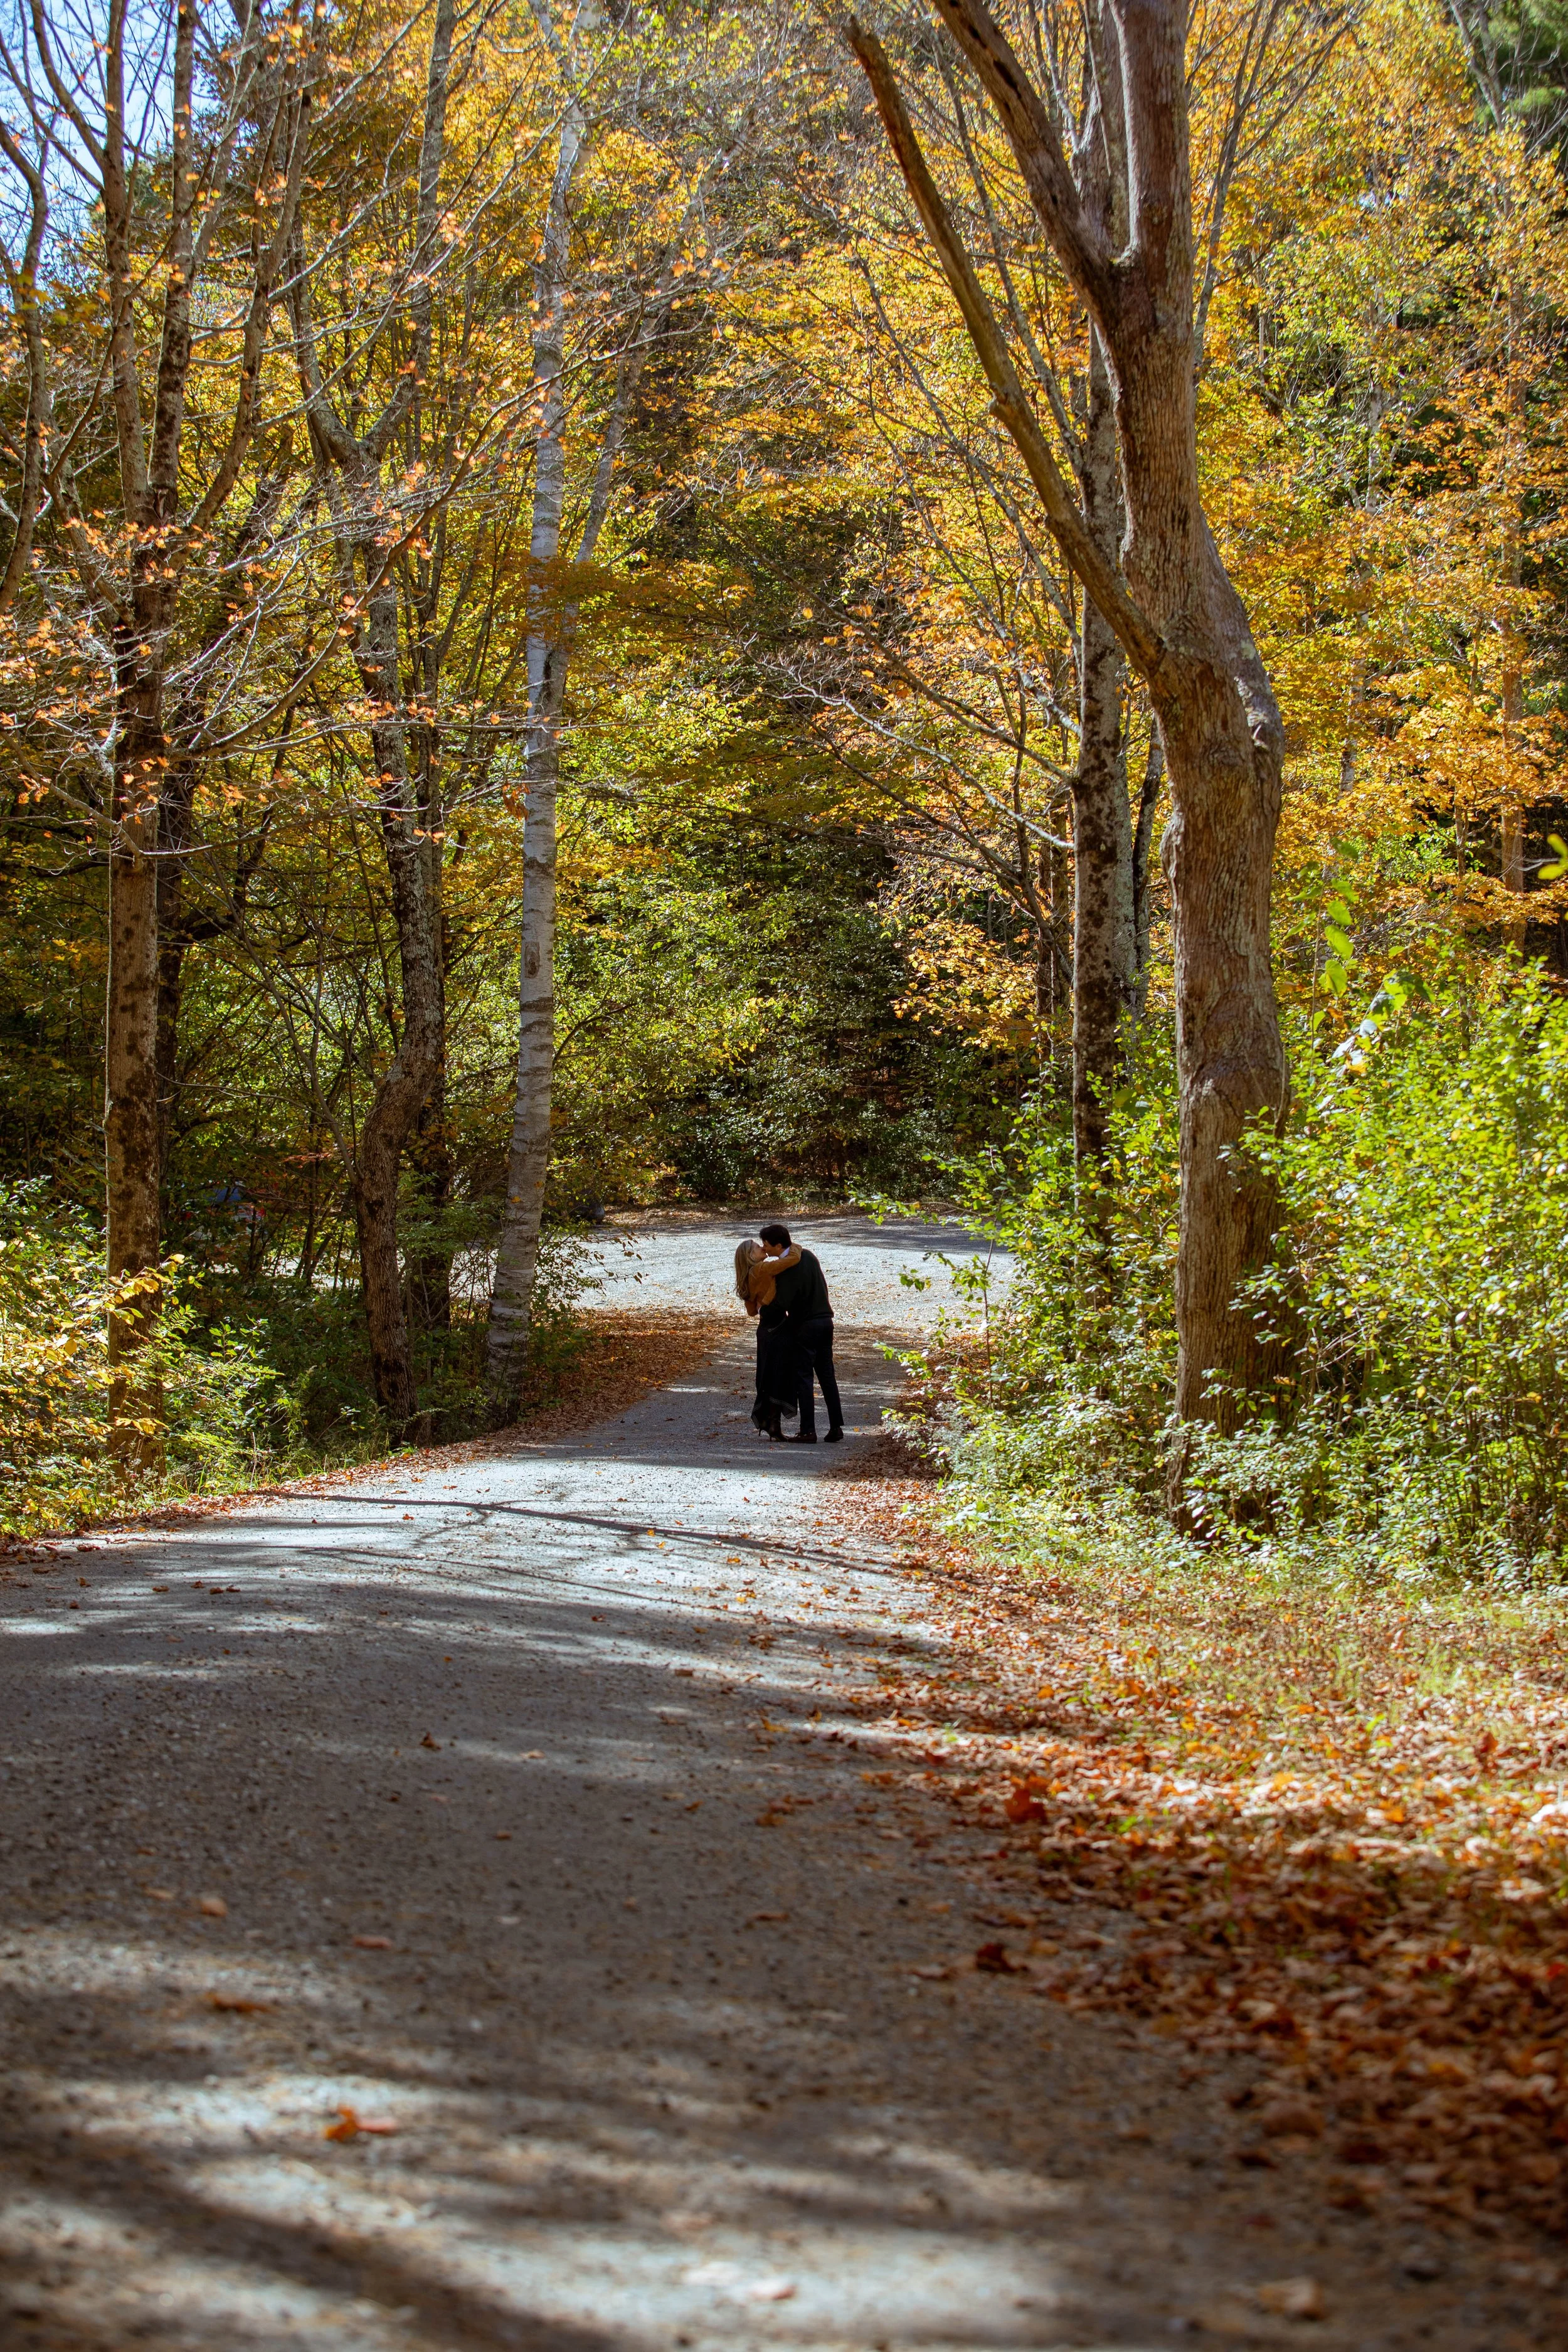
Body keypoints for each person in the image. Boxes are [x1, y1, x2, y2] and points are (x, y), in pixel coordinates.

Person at [757, 1220, 844, 1443]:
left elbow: (783, 1302)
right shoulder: (809, 1256)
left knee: (804, 1378)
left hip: (805, 1326)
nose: (764, 1248)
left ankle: (808, 1431)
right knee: (827, 1377)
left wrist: (763, 1310)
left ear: (777, 1245)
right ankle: (836, 1427)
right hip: (826, 1321)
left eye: (765, 1244)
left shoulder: (788, 1266)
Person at [734, 1237, 800, 1439]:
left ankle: (773, 1425)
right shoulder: (762, 1269)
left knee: (770, 1375)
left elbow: (752, 1311)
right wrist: (793, 1246)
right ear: (750, 1256)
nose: (762, 1247)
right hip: (776, 1326)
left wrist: (764, 1297)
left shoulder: (751, 1274)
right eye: (757, 1247)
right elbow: (792, 1259)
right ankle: (774, 1426)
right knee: (778, 1375)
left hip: (766, 1327)